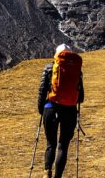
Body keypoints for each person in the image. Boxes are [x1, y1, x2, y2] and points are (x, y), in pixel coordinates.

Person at [37, 44, 84, 178]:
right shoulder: (77, 70)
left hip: (51, 108)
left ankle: (47, 173)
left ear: (56, 54)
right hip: (69, 110)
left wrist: (42, 111)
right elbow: (81, 97)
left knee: (50, 143)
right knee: (63, 145)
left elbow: (42, 92)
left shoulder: (49, 68)